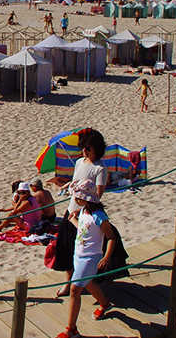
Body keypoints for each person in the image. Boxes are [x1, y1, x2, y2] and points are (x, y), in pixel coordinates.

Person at [52, 128, 108, 298]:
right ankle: (69, 282)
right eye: (83, 148)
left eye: (89, 148)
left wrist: (81, 207)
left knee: (84, 250)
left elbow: (97, 195)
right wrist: (67, 185)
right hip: (71, 209)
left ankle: (82, 282)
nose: (85, 152)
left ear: (97, 149)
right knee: (67, 248)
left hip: (86, 213)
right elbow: (76, 182)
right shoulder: (78, 162)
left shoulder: (100, 168)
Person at [57, 179, 115, 338]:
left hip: (91, 257)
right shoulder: (83, 211)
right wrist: (73, 220)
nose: (75, 199)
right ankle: (105, 303)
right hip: (79, 254)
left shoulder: (99, 216)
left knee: (75, 290)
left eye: (78, 197)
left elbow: (111, 237)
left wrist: (106, 256)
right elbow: (83, 231)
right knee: (88, 282)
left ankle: (71, 329)